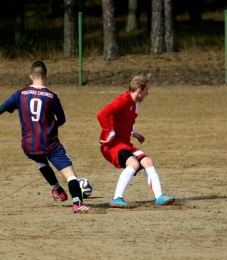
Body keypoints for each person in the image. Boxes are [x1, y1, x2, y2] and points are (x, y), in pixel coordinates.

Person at [0, 61, 91, 213]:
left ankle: (57, 189)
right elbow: (62, 119)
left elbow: (2, 108)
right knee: (70, 174)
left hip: (29, 145)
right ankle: (77, 203)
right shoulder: (51, 97)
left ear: (31, 76)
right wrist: (51, 125)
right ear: (46, 76)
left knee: (40, 159)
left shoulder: (19, 94)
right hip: (50, 143)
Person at [96, 75, 175, 208]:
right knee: (133, 164)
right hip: (112, 145)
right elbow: (102, 114)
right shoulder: (123, 100)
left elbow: (126, 119)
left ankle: (159, 196)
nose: (147, 93)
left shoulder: (135, 103)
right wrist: (110, 132)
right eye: (146, 90)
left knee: (148, 162)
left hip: (124, 143)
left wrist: (133, 132)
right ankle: (117, 198)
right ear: (139, 90)